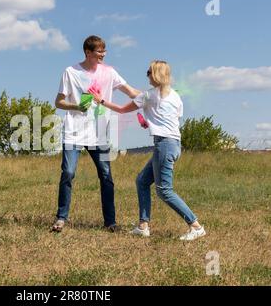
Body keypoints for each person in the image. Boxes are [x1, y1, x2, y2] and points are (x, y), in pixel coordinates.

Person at [91, 60, 206, 241]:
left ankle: (195, 226)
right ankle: (143, 226)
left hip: (164, 146)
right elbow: (169, 118)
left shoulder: (149, 95)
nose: (147, 75)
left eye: (149, 72)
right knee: (142, 181)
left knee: (164, 191)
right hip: (174, 144)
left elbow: (122, 109)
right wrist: (150, 123)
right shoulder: (175, 96)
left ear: (155, 75)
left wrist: (101, 100)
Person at [51, 35, 142, 232]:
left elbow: (130, 91)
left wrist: (153, 95)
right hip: (74, 131)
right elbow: (58, 102)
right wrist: (76, 105)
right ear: (88, 52)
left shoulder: (109, 72)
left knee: (106, 175)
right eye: (99, 51)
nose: (103, 55)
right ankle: (61, 218)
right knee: (68, 172)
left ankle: (110, 222)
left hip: (98, 132)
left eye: (104, 51)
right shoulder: (71, 72)